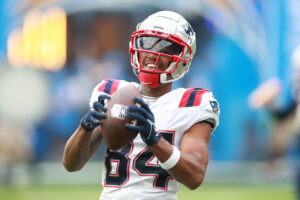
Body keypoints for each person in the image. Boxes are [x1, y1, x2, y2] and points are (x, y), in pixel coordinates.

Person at [63, 10, 220, 200]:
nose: (152, 54)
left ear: (182, 57)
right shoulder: (112, 93)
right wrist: (84, 129)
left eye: (165, 49)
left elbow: (195, 177)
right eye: (147, 44)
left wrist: (154, 140)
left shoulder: (192, 103)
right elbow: (71, 164)